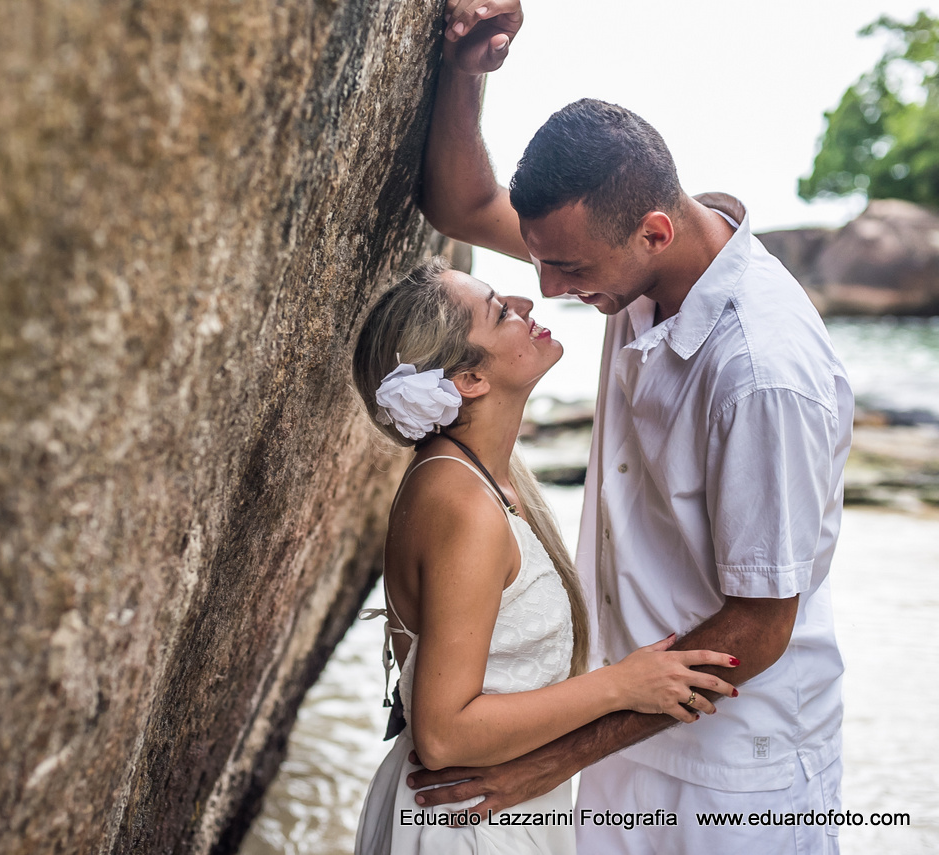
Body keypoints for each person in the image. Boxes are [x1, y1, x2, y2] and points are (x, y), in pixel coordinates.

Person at [406, 2, 854, 854]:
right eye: (541, 259)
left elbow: (760, 626)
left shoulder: (761, 373)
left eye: (568, 267)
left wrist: (546, 762)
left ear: (654, 231)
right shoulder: (634, 262)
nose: (548, 289)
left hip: (736, 777)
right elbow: (463, 204)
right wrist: (466, 71)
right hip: (625, 736)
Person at [349, 257, 738, 854]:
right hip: (464, 823)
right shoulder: (464, 504)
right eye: (500, 312)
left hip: (492, 807)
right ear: (468, 379)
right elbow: (444, 735)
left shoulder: (485, 478)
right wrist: (622, 686)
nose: (526, 305)